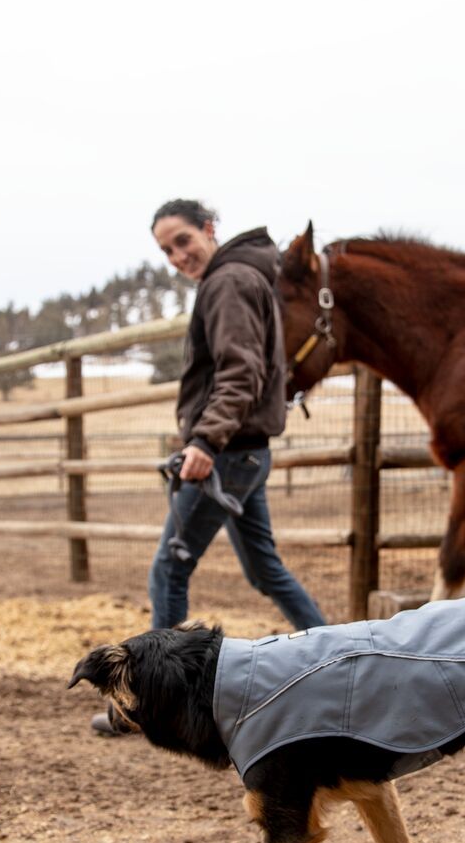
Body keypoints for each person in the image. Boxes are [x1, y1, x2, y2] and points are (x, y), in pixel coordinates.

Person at [92, 199, 328, 736]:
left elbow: (239, 372)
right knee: (265, 569)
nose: (177, 255)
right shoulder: (245, 277)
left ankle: (153, 703)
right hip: (243, 452)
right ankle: (341, 658)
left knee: (169, 570)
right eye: (166, 250)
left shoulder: (227, 282)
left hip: (223, 456)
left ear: (209, 229)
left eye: (182, 240)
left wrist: (203, 439)